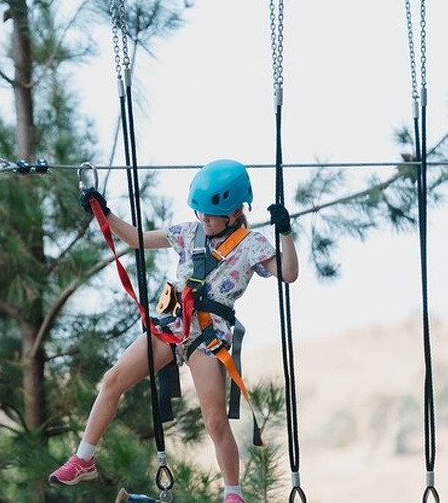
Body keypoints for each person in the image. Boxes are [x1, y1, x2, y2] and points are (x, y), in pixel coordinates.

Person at [48, 159, 299, 503]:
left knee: (213, 419)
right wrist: (102, 212)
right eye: (200, 213)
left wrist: (285, 233)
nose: (203, 220)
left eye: (210, 215)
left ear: (236, 211)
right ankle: (84, 458)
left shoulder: (252, 244)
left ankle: (233, 494)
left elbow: (288, 274)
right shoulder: (188, 232)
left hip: (208, 335)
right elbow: (136, 239)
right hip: (173, 324)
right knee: (113, 380)